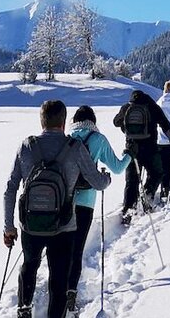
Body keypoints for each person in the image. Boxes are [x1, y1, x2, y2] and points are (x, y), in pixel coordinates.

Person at [3, 100, 111, 318]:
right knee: (59, 279)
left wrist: (9, 227)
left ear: (41, 121)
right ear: (63, 123)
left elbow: (11, 189)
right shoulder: (75, 147)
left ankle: (24, 307)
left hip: (30, 224)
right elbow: (97, 182)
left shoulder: (27, 146)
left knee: (29, 265)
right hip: (64, 225)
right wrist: (106, 178)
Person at [66, 105, 132, 313]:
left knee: (61, 248)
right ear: (93, 121)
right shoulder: (98, 139)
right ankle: (71, 293)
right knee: (77, 251)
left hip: (64, 200)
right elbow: (118, 167)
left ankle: (57, 289)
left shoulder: (65, 138)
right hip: (86, 201)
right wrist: (129, 155)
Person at [112, 89, 170, 223]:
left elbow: (116, 122)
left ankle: (128, 211)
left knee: (131, 181)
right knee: (157, 173)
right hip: (150, 148)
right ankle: (147, 196)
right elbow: (165, 125)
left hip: (131, 149)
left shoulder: (127, 107)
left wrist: (126, 126)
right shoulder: (152, 107)